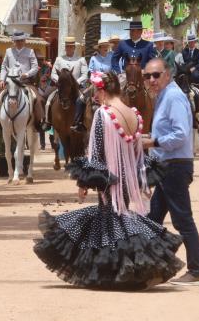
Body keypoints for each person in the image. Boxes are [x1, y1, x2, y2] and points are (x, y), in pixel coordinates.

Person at [34, 70, 184, 289]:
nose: (94, 95)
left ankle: (115, 271)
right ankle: (123, 268)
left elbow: (95, 153)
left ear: (103, 90)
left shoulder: (103, 114)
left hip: (108, 178)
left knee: (110, 220)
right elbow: (137, 150)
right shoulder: (135, 114)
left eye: (96, 90)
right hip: (126, 176)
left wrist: (84, 182)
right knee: (118, 217)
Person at [142, 58, 199, 285]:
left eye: (156, 75)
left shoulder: (173, 97)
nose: (151, 80)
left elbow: (181, 134)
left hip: (175, 166)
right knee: (152, 220)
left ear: (167, 75)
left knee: (182, 220)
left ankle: (198, 271)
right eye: (147, 76)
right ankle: (151, 267)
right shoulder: (162, 97)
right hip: (166, 166)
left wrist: (153, 143)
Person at [0, 30, 42, 131]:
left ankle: (38, 123)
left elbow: (35, 67)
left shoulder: (30, 51)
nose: (19, 42)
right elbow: (4, 66)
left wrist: (27, 74)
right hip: (11, 82)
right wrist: (1, 80)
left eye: (21, 40)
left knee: (38, 99)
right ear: (14, 41)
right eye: (17, 41)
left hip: (25, 82)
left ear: (24, 40)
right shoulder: (9, 51)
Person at [47, 37, 89, 132]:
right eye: (67, 47)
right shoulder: (59, 59)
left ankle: (82, 123)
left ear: (74, 48)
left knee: (85, 102)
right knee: (48, 100)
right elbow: (53, 73)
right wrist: (60, 82)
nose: (69, 48)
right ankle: (47, 121)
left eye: (71, 47)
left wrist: (75, 83)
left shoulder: (81, 59)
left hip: (77, 87)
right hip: (62, 88)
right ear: (65, 48)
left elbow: (85, 75)